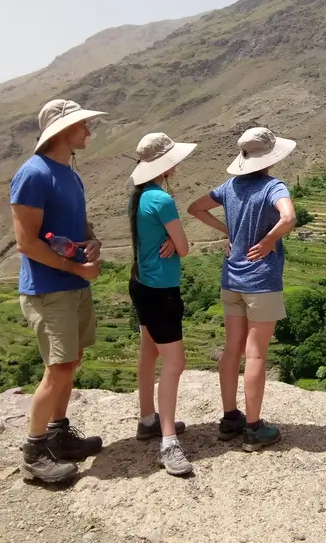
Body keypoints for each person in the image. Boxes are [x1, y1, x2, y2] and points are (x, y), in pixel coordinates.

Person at [10, 99, 106, 483]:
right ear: (63, 131)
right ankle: (34, 454)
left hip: (72, 284)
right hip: (50, 288)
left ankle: (58, 434)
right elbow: (27, 243)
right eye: (83, 125)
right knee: (59, 367)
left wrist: (93, 240)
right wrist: (74, 267)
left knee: (72, 361)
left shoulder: (70, 173)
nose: (88, 131)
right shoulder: (33, 174)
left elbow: (79, 223)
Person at [188, 127, 297, 452]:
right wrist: (267, 241)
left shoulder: (229, 186)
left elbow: (195, 207)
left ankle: (229, 418)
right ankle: (253, 428)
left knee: (231, 348)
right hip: (261, 282)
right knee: (256, 353)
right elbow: (288, 217)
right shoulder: (273, 186)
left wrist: (229, 230)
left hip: (231, 280)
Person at [127, 132, 196, 476]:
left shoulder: (138, 197)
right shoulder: (162, 200)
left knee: (148, 352)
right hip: (162, 290)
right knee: (175, 362)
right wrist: (174, 238)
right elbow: (184, 249)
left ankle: (147, 419)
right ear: (165, 165)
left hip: (141, 283)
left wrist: (168, 237)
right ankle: (168, 443)